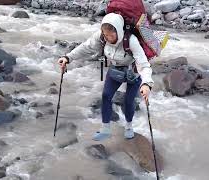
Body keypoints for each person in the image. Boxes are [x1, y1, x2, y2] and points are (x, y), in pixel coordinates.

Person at [57, 13, 154, 141]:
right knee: (106, 96)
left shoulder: (131, 41)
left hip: (133, 73)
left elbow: (144, 65)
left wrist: (146, 84)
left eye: (111, 35)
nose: (108, 38)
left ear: (119, 31)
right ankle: (105, 129)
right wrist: (68, 57)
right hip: (115, 70)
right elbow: (86, 47)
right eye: (105, 35)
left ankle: (129, 127)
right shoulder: (101, 37)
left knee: (129, 101)